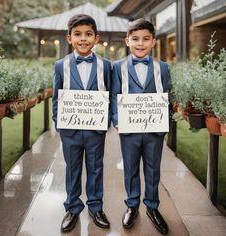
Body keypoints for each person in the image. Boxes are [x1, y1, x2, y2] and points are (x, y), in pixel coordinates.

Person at [111, 18, 171, 235]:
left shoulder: (163, 68)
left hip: (154, 130)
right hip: (129, 130)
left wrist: (165, 120)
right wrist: (116, 119)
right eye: (135, 39)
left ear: (153, 42)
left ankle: (152, 207)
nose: (140, 43)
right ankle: (132, 205)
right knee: (130, 167)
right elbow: (114, 95)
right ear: (127, 41)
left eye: (146, 39)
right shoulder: (117, 67)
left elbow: (167, 95)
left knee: (153, 169)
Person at [52, 14, 111, 233]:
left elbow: (111, 95)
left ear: (96, 38)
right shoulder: (61, 66)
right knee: (72, 169)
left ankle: (96, 207)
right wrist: (60, 123)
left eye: (88, 34)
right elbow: (56, 98)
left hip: (96, 130)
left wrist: (108, 121)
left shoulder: (106, 66)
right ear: (69, 38)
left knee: (96, 168)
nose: (83, 39)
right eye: (77, 34)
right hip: (71, 130)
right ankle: (72, 208)